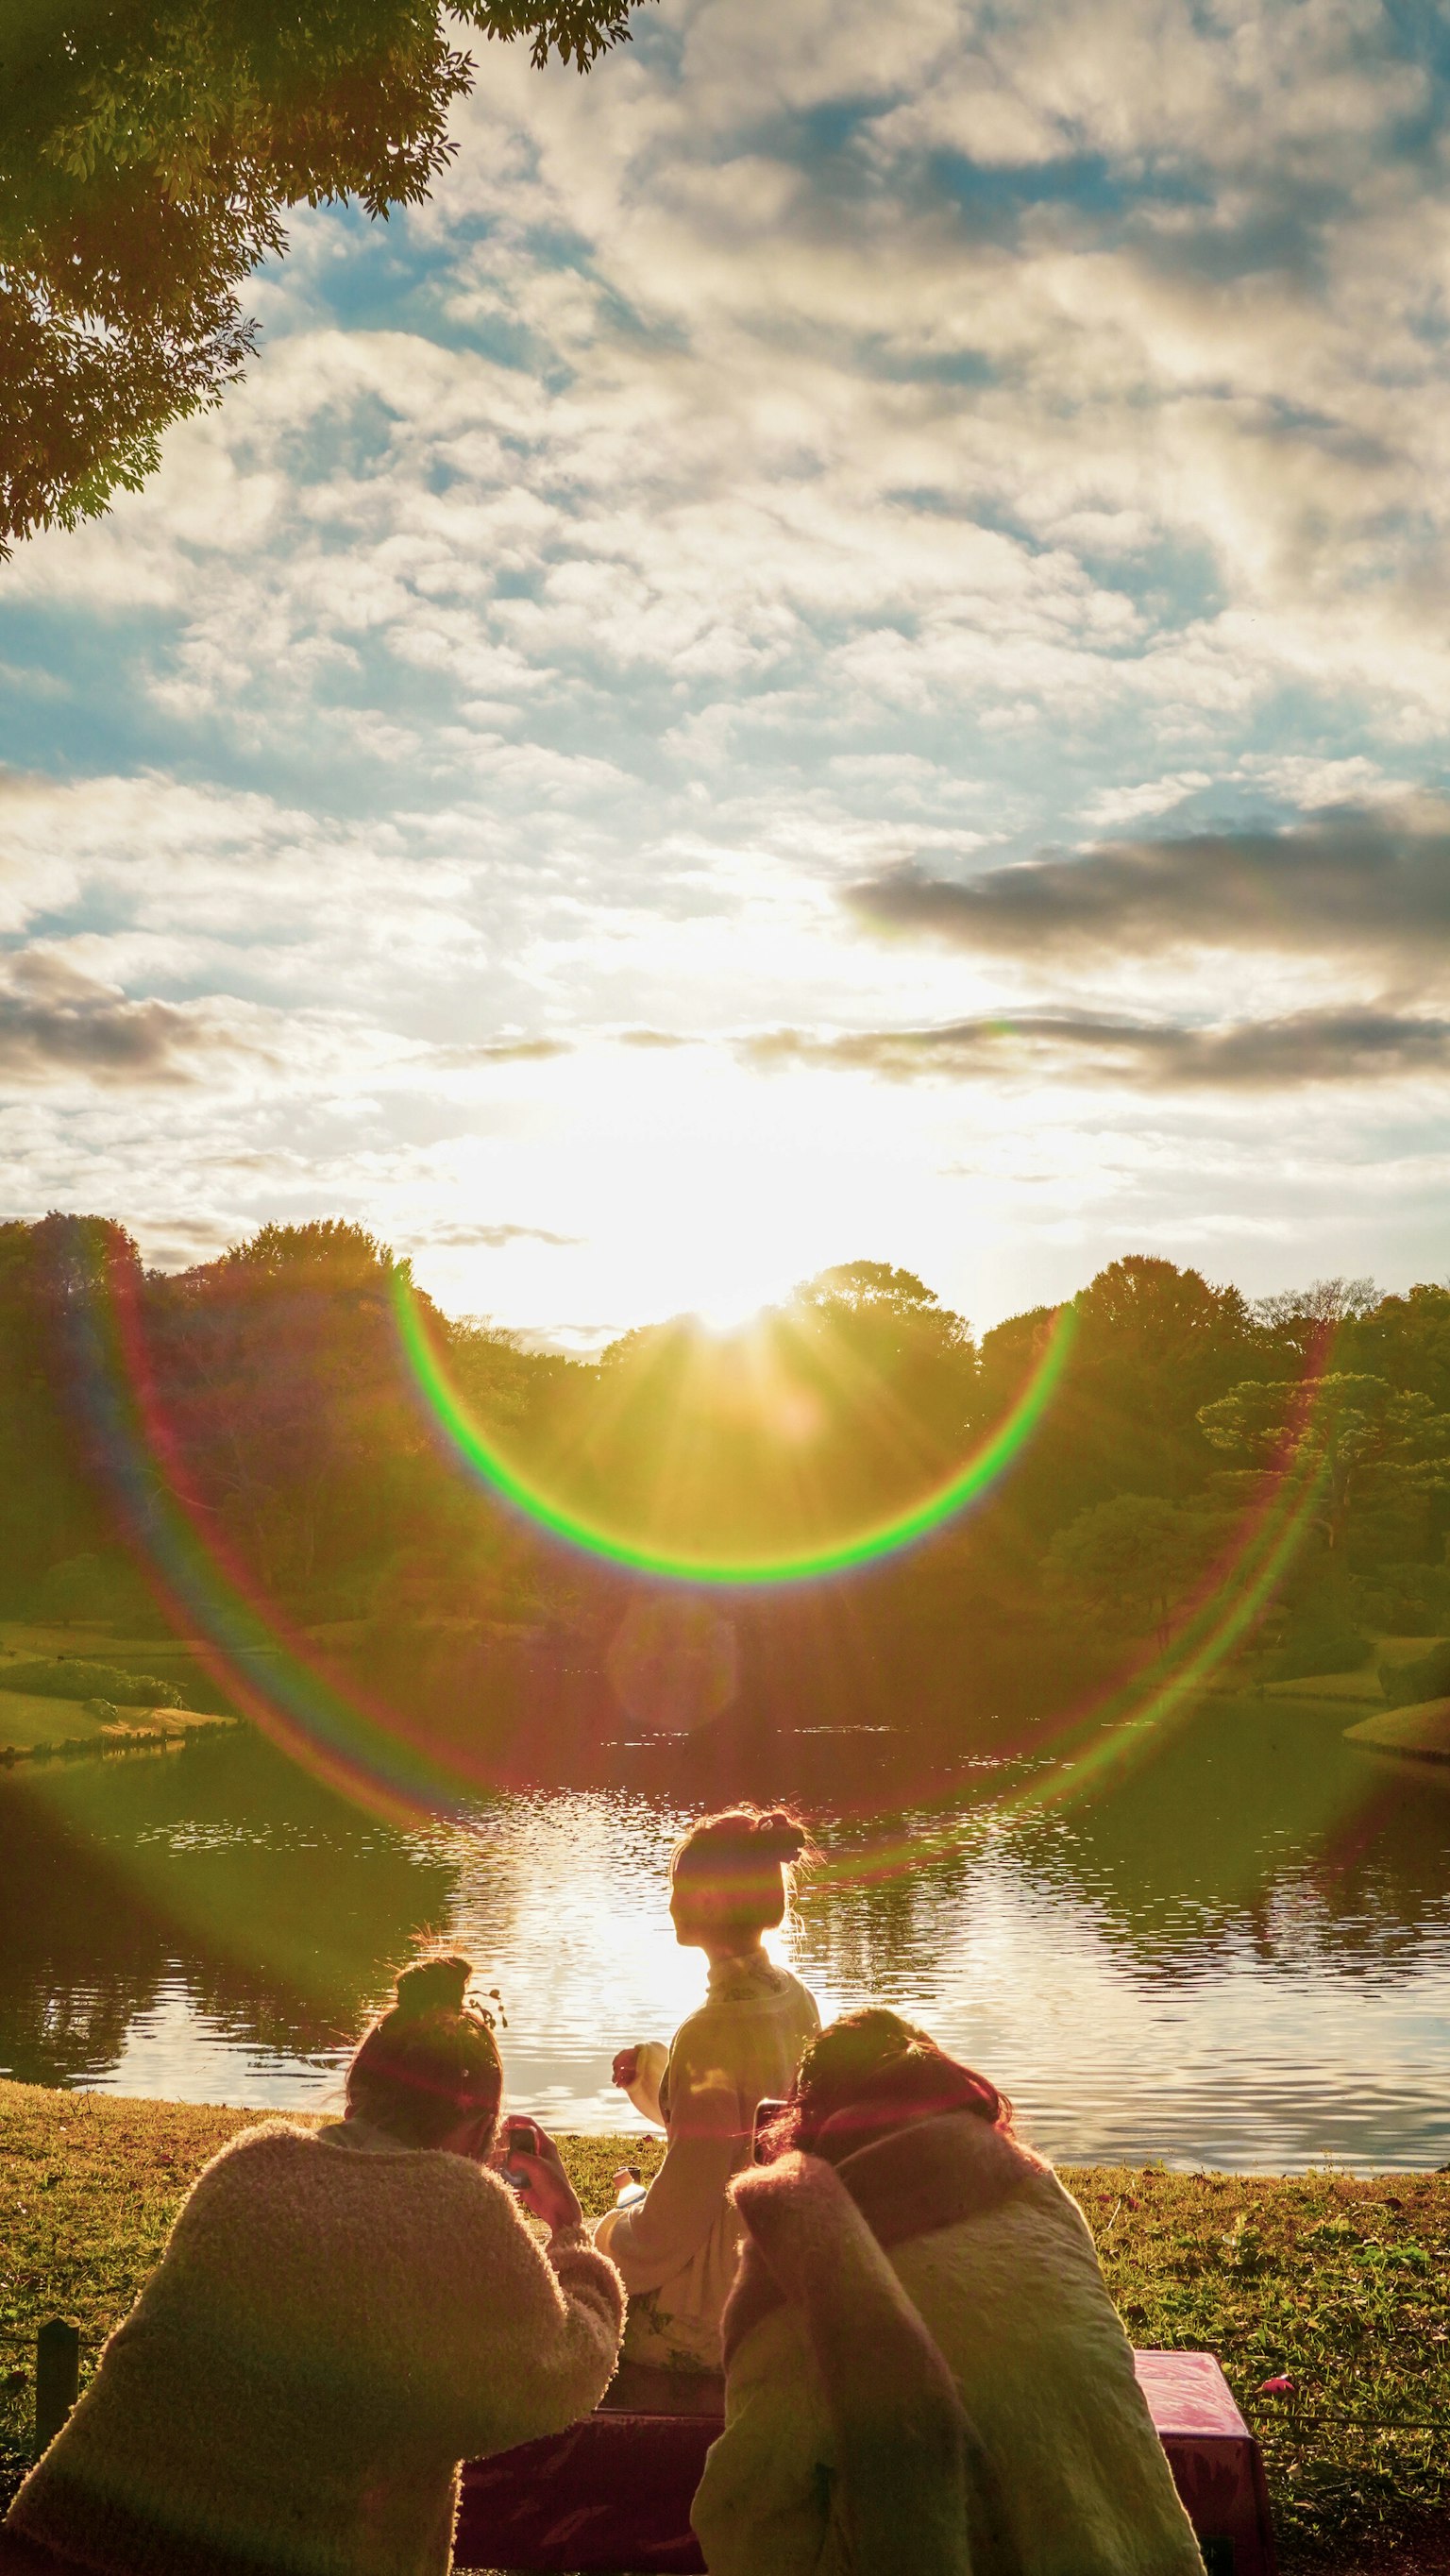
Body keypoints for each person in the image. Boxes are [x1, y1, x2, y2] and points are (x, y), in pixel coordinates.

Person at [2, 1955, 623, 2576]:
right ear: (479, 2126)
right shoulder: (463, 2206)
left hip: (64, 2542)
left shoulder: (252, 2163)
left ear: (357, 2094)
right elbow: (567, 2367)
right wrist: (569, 2229)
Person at [691, 2008, 1206, 2576]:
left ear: (806, 2124)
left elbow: (748, 2524)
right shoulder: (1038, 2192)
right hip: (1144, 2551)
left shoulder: (801, 2257)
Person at [595, 1805, 821, 2405]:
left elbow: (681, 2217)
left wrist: (606, 2239)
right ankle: (626, 2191)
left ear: (711, 1902)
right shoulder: (796, 1999)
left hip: (723, 2300)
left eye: (678, 1890)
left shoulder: (710, 2031)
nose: (670, 1904)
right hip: (781, 2260)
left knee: (593, 2260)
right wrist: (656, 2069)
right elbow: (739, 2127)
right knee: (627, 2207)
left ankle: (622, 2197)